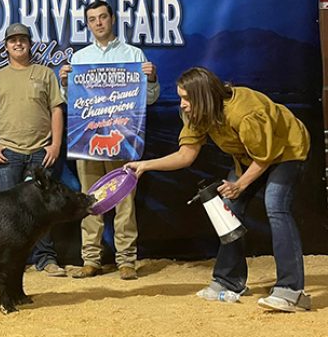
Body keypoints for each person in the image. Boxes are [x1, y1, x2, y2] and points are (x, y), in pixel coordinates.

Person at [126, 67, 311, 312]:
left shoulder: (244, 113)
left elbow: (265, 157)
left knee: (275, 205)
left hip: (287, 150)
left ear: (202, 97)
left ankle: (291, 290)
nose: (182, 104)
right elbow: (185, 155)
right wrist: (145, 166)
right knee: (228, 209)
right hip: (251, 157)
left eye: (186, 98)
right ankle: (229, 281)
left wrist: (240, 184)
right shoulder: (201, 113)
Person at [60, 0, 160, 280]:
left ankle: (126, 260)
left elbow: (148, 99)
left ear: (112, 19)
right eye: (92, 19)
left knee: (125, 200)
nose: (98, 23)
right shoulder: (80, 59)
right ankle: (91, 259)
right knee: (90, 200)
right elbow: (73, 102)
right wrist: (66, 82)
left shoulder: (134, 54)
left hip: (124, 140)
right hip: (89, 142)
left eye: (103, 17)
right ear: (88, 24)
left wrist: (151, 80)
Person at [0, 23, 67, 277]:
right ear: (6, 46)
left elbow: (56, 109)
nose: (18, 43)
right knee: (8, 211)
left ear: (30, 43)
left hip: (40, 152)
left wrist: (55, 144)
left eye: (22, 39)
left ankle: (46, 258)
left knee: (43, 209)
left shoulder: (45, 74)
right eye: (13, 40)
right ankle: (10, 259)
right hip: (8, 151)